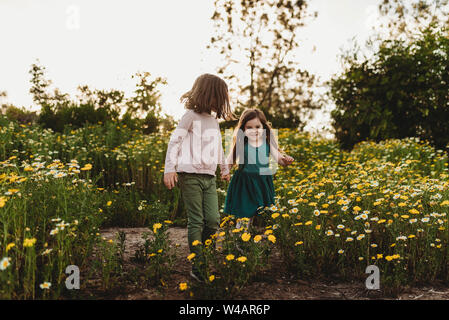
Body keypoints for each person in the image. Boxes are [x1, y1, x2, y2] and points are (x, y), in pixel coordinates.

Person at [163, 73, 236, 282]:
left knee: (213, 221)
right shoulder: (189, 117)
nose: (220, 102)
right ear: (207, 94)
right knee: (197, 221)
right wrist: (170, 169)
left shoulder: (213, 121)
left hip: (209, 177)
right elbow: (174, 142)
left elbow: (218, 147)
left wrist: (224, 167)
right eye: (218, 97)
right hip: (189, 175)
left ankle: (205, 257)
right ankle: (198, 266)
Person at [223, 108, 294, 230]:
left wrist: (286, 161)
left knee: (261, 213)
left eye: (257, 127)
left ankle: (255, 239)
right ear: (243, 129)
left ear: (264, 128)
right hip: (244, 182)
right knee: (245, 213)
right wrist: (226, 171)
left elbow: (279, 159)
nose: (254, 131)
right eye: (249, 127)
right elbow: (230, 159)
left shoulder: (267, 144)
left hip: (262, 182)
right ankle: (239, 240)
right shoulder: (241, 143)